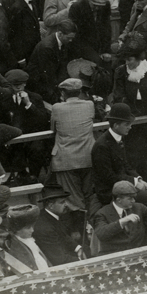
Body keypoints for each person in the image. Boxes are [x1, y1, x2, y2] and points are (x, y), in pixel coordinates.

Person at [91, 103, 147, 210]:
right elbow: (108, 177)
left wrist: (138, 180)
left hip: (123, 186)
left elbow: (126, 165)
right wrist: (134, 183)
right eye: (127, 124)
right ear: (116, 125)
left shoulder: (118, 138)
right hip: (110, 192)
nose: (130, 127)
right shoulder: (102, 146)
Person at [49, 78, 96, 210]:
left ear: (63, 93)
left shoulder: (57, 108)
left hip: (66, 160)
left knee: (73, 200)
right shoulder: (89, 105)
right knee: (90, 196)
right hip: (88, 157)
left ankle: (80, 227)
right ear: (80, 91)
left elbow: (53, 129)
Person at [92, 181, 147, 256]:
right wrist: (122, 222)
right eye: (130, 198)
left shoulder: (138, 207)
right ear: (118, 200)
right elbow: (101, 233)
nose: (133, 201)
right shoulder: (102, 213)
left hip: (138, 255)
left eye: (134, 197)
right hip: (114, 258)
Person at [33, 183, 83, 266]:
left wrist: (77, 248)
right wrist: (80, 260)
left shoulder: (49, 215)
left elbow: (63, 236)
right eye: (62, 202)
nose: (66, 205)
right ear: (51, 205)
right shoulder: (45, 228)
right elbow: (59, 259)